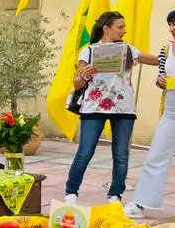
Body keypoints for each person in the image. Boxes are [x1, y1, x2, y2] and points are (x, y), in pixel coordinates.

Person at [64, 11, 158, 204]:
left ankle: (115, 194)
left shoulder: (128, 49)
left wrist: (169, 53)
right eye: (120, 27)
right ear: (106, 29)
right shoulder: (88, 51)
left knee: (121, 154)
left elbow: (156, 60)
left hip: (123, 108)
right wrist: (84, 75)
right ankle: (71, 192)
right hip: (93, 107)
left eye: (124, 27)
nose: (124, 31)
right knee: (85, 152)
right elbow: (76, 84)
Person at [125, 10, 175, 218]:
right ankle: (140, 203)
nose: (172, 29)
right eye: (170, 24)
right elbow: (161, 76)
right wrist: (159, 81)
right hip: (171, 111)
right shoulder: (165, 50)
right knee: (156, 155)